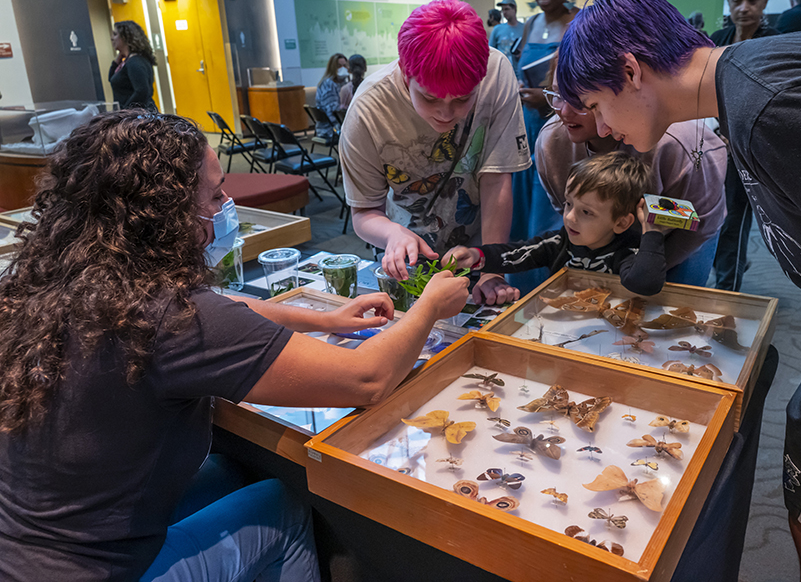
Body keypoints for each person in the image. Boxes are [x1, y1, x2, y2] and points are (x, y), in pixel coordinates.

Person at [558, 0, 801, 582]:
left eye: (596, 103)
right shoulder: (748, 80)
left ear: (630, 70)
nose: (602, 127)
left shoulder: (765, 101)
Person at [0, 110, 470, 581]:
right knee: (281, 504)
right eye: (215, 193)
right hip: (98, 569)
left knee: (232, 470)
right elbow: (367, 379)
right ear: (168, 214)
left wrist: (323, 318)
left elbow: (220, 309)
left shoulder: (41, 284)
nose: (226, 202)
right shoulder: (170, 317)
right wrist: (430, 304)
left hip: (22, 548)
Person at [340, 0, 529, 305]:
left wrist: (491, 268)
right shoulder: (368, 110)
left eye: (462, 100)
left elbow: (496, 178)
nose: (445, 113)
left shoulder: (496, 74)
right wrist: (392, 234)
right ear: (405, 73)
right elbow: (364, 212)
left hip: (477, 250)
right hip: (404, 259)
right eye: (429, 99)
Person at [536, 54, 726, 287]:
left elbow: (699, 222)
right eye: (558, 94)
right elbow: (563, 207)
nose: (564, 112)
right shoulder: (550, 142)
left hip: (677, 238)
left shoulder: (677, 144)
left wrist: (647, 266)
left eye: (579, 99)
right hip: (605, 241)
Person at [509, 0, 608, 294]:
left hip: (563, 129)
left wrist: (544, 97)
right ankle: (519, 287)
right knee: (522, 212)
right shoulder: (529, 24)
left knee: (552, 210)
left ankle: (552, 289)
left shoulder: (578, 24)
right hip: (525, 132)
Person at [443, 152, 666, 297]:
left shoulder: (628, 252)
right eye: (569, 204)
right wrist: (477, 255)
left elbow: (645, 283)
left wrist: (652, 231)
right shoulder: (559, 241)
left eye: (586, 212)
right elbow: (517, 253)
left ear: (621, 223)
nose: (569, 217)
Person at [710, 0, 779, 292]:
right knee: (710, 217)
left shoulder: (776, 45)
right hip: (714, 145)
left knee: (734, 220)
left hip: (750, 148)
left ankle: (727, 292)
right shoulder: (717, 41)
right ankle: (724, 268)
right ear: (728, 0)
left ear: (765, 1)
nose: (744, 7)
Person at [109, 20, 157, 111]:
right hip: (133, 116)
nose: (112, 38)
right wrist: (117, 59)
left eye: (115, 34)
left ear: (125, 37)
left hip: (138, 117)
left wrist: (124, 112)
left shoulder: (135, 62)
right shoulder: (128, 60)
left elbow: (142, 91)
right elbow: (111, 79)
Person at [315, 52, 348, 141]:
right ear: (333, 68)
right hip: (329, 129)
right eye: (339, 66)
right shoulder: (328, 85)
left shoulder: (343, 83)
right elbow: (332, 113)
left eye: (345, 65)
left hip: (338, 125)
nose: (343, 69)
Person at [488, 0, 525, 65]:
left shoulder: (525, 28)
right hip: (503, 69)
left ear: (515, 9)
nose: (504, 12)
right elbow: (490, 51)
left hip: (519, 70)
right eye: (502, 10)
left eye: (507, 9)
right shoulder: (497, 29)